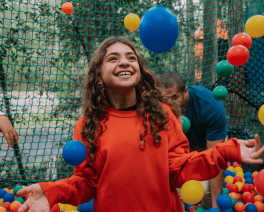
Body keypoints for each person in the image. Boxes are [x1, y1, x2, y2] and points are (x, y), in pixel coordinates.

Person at [17, 37, 264, 212]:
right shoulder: (87, 125)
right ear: (98, 76)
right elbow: (87, 181)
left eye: (131, 57)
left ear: (139, 70)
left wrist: (227, 150)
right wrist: (52, 193)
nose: (124, 62)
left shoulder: (163, 115)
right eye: (113, 58)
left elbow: (179, 168)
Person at [157, 71, 229, 209]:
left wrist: (215, 207)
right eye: (165, 100)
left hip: (206, 146)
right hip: (182, 148)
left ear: (185, 91)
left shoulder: (211, 107)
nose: (170, 104)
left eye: (174, 98)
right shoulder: (159, 108)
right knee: (173, 191)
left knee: (207, 194)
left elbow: (215, 157)